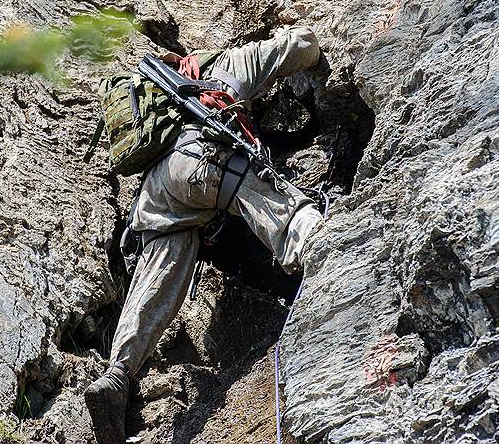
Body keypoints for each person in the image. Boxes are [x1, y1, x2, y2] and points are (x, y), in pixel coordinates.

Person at [85, 26, 324, 444]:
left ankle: (118, 375)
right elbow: (296, 47)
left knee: (159, 277)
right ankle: (324, 251)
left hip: (159, 189)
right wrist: (314, 52)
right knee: (271, 200)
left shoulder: (160, 101)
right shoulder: (223, 68)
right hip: (206, 157)